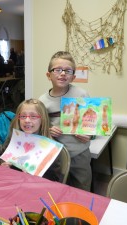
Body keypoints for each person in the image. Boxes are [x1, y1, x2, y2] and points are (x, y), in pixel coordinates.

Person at [39, 51, 92, 191]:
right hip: (55, 156)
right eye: (58, 70)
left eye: (68, 71)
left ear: (73, 77)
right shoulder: (42, 101)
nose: (63, 74)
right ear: (48, 75)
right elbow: (40, 127)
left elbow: (91, 123)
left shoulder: (81, 94)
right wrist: (48, 130)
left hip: (80, 154)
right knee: (58, 189)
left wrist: (89, 135)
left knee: (82, 188)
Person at [1, 99, 62, 182]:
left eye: (33, 116)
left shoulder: (51, 147)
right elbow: (2, 156)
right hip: (12, 181)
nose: (27, 120)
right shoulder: (13, 139)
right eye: (23, 116)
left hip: (37, 188)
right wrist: (4, 165)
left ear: (42, 119)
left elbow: (55, 178)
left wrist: (35, 176)